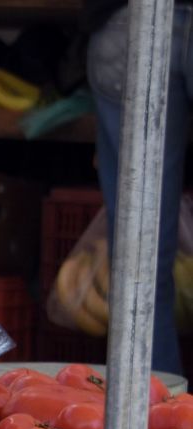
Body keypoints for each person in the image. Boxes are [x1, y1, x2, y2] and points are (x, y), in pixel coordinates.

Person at [85, 0, 188, 376]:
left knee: (140, 261)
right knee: (139, 262)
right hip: (130, 28)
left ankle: (153, 417)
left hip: (127, 22)